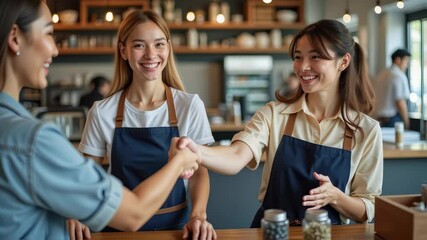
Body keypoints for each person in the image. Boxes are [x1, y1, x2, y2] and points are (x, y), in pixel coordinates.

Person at [0, 0, 199, 239]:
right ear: (14, 38)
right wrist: (179, 161)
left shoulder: (16, 132)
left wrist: (199, 215)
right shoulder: (35, 140)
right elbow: (133, 213)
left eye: (158, 44)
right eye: (49, 33)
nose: (55, 49)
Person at [178, 19, 383, 226]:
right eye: (298, 57)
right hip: (272, 232)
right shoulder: (274, 114)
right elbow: (236, 155)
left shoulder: (366, 130)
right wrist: (196, 150)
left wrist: (336, 197)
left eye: (315, 57)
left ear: (343, 62)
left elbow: (367, 209)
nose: (303, 67)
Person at [71, 9, 217, 239]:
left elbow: (200, 173)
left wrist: (198, 216)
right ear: (123, 51)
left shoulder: (189, 105)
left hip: (176, 230)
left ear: (168, 47)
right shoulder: (102, 111)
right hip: (118, 231)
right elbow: (85, 175)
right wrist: (76, 212)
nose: (151, 54)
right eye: (139, 45)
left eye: (159, 44)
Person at [373, 48, 411, 129]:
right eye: (406, 62)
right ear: (398, 60)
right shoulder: (399, 76)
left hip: (377, 120)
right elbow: (400, 102)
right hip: (392, 121)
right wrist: (407, 123)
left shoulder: (381, 74)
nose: (406, 66)